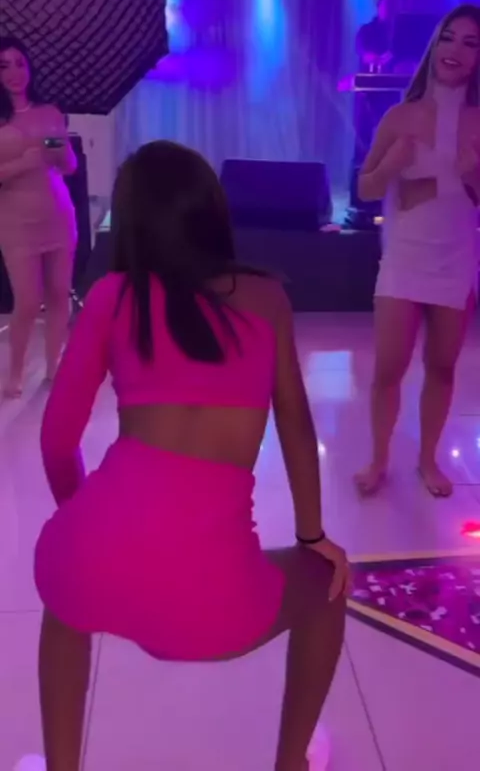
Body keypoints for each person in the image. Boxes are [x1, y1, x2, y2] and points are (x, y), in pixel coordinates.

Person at [33, 141, 348, 771]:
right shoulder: (266, 299)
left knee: (67, 598)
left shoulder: (113, 295)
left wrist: (88, 524)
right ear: (212, 209)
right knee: (331, 586)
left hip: (89, 557)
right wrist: (313, 537)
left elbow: (56, 441)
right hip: (212, 606)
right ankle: (291, 762)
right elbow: (295, 424)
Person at [354, 4, 480, 497]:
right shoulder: (400, 115)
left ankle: (428, 460)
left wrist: (473, 175)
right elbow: (366, 188)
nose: (456, 50)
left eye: (470, 43)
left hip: (456, 258)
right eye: (449, 38)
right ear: (435, 45)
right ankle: (378, 460)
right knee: (389, 367)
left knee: (442, 367)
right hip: (405, 257)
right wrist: (391, 167)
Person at [0, 37, 77, 398]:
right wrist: (24, 162)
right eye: (4, 66)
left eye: (20, 63)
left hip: (57, 213)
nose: (14, 72)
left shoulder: (50, 112)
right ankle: (15, 372)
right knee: (28, 302)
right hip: (15, 220)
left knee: (59, 293)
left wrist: (57, 147)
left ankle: (54, 366)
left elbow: (69, 165)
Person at [356, 0, 399, 73]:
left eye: (390, 7)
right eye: (385, 7)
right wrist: (371, 57)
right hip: (370, 74)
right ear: (378, 8)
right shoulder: (366, 30)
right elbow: (361, 50)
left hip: (391, 75)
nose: (387, 10)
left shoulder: (398, 33)